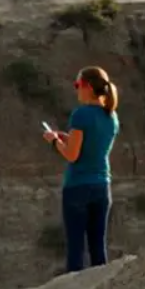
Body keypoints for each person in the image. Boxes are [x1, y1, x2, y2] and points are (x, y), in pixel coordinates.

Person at [42, 66, 120, 273]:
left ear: (86, 87)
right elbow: (93, 146)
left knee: (76, 249)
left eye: (77, 85)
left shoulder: (81, 115)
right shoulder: (112, 117)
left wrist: (54, 141)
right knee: (98, 249)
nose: (76, 90)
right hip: (102, 186)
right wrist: (66, 138)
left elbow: (72, 155)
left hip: (77, 187)